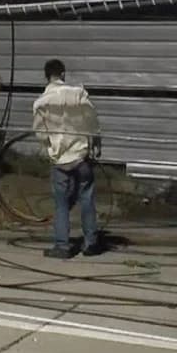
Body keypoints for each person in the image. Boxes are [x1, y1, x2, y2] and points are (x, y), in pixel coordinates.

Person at [32, 59, 103, 259]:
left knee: (61, 204)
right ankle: (91, 244)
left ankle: (63, 247)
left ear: (46, 76)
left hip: (60, 160)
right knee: (87, 199)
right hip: (81, 156)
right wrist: (96, 144)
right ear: (63, 74)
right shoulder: (79, 95)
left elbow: (40, 134)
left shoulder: (41, 103)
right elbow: (93, 122)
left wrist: (50, 146)